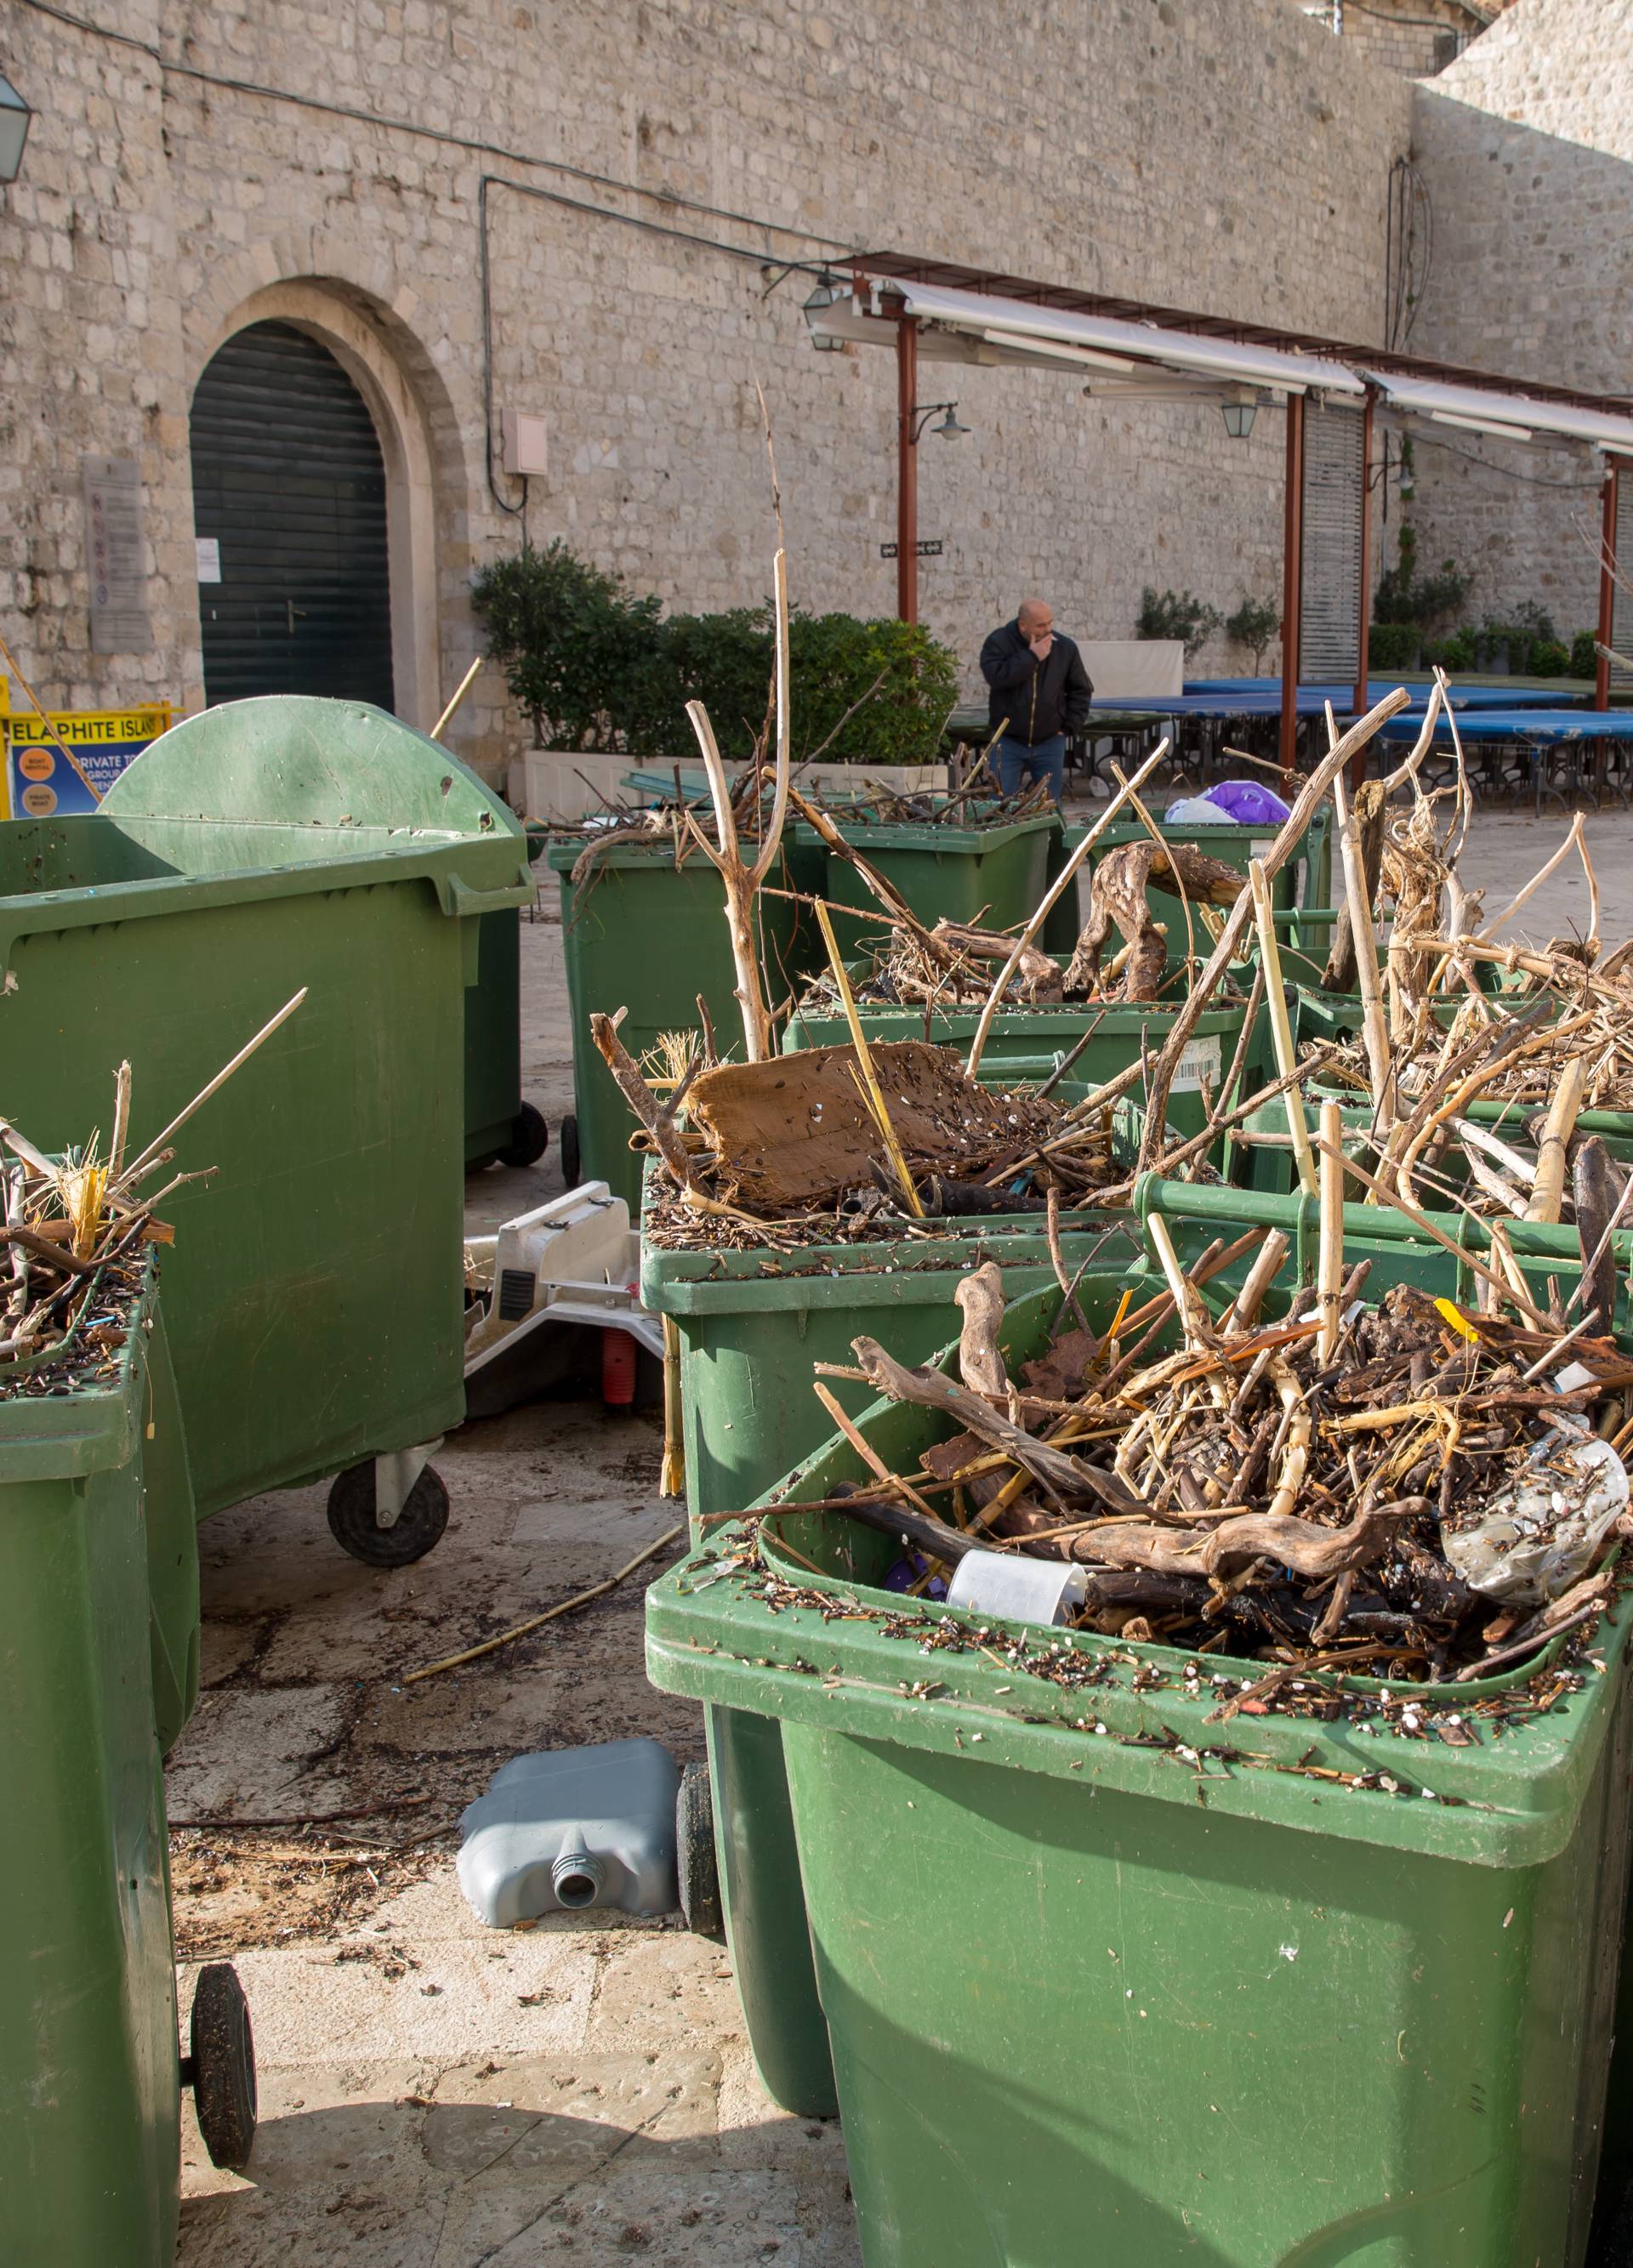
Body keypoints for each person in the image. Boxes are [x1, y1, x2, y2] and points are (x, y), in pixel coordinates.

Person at [977, 599, 1093, 804]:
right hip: (1007, 741)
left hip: (1050, 742)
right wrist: (1031, 657)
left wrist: (1068, 727)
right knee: (998, 803)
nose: (1048, 630)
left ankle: (1049, 838)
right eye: (1041, 625)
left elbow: (1081, 690)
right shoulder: (998, 642)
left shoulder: (1065, 648)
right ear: (1023, 625)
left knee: (1048, 805)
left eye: (1050, 623)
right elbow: (997, 677)